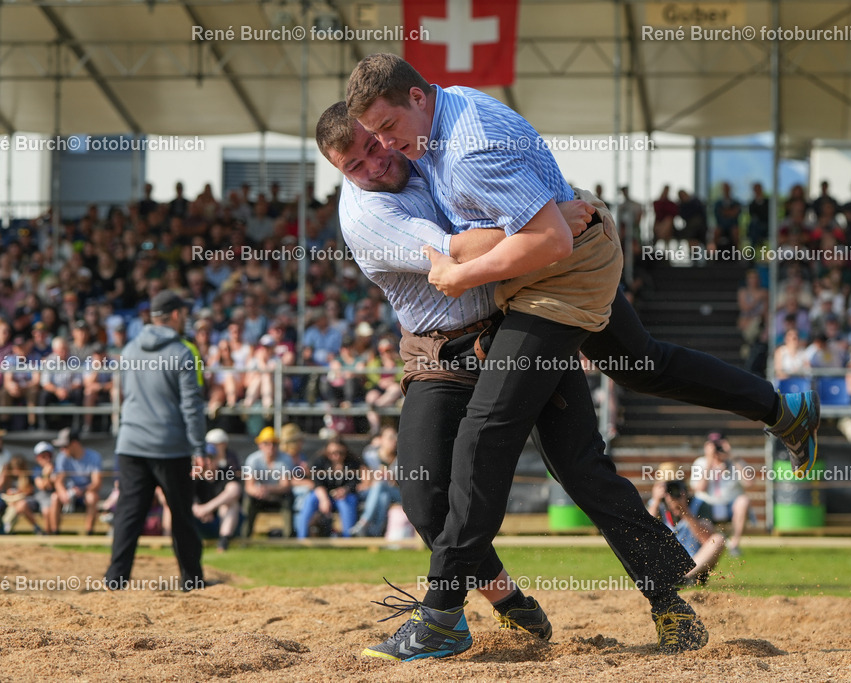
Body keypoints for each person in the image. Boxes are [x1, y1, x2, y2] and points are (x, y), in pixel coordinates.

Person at [345, 55, 819, 657]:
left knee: (486, 438)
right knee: (638, 369)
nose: (383, 147)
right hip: (543, 271)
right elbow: (522, 229)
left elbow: (546, 240)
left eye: (386, 130)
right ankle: (779, 412)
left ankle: (440, 616)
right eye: (367, 145)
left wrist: (473, 269)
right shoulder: (431, 126)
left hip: (555, 276)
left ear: (417, 96)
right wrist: (542, 220)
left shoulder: (464, 145)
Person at [105, 290, 207, 592]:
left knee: (128, 515)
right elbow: (192, 405)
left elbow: (126, 394)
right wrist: (199, 447)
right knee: (181, 516)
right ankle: (192, 581)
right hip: (169, 445)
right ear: (175, 315)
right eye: (183, 313)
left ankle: (115, 580)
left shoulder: (131, 349)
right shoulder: (183, 353)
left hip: (131, 442)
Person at [648, 477, 726, 585]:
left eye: (675, 487)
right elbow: (644, 535)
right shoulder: (656, 505)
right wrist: (656, 501)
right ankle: (670, 577)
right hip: (666, 565)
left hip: (695, 566)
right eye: (667, 487)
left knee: (718, 539)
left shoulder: (699, 504)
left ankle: (683, 577)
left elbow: (706, 539)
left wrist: (685, 511)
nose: (671, 493)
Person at [689, 433, 752, 556]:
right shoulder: (700, 463)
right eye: (714, 445)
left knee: (743, 501)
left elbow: (749, 482)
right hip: (707, 505)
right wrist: (709, 461)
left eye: (720, 444)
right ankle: (709, 547)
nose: (717, 448)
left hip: (729, 505)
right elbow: (699, 488)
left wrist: (732, 456)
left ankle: (734, 544)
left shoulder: (735, 462)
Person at [295, 437, 362, 538]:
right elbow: (317, 483)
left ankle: (348, 539)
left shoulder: (352, 462)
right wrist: (324, 499)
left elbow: (355, 482)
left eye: (340, 452)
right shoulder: (320, 461)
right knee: (310, 500)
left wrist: (345, 490)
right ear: (327, 452)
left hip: (344, 495)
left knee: (347, 502)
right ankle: (302, 538)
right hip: (323, 494)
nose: (337, 456)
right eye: (333, 453)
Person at [189, 436, 242, 551]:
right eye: (205, 457)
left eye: (211, 457)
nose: (207, 461)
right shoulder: (194, 476)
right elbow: (183, 498)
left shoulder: (226, 472)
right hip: (199, 520)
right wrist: (198, 509)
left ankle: (223, 542)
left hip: (222, 521)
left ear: (217, 459)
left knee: (230, 504)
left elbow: (235, 490)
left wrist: (208, 508)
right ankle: (171, 540)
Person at [241, 426, 295, 538]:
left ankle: (288, 537)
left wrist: (267, 489)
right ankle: (244, 537)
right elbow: (249, 487)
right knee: (248, 502)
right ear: (260, 445)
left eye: (274, 443)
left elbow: (285, 486)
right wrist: (259, 492)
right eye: (266, 443)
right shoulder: (253, 460)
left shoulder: (285, 459)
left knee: (288, 500)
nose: (270, 447)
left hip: (279, 496)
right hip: (259, 496)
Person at [48, 428, 102, 535]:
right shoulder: (62, 457)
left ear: (75, 443)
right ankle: (54, 534)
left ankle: (89, 533)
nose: (62, 449)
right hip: (68, 493)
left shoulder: (94, 456)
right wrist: (64, 493)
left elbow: (97, 483)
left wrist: (82, 490)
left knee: (92, 497)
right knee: (55, 497)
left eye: (64, 446)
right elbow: (59, 481)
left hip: (85, 493)